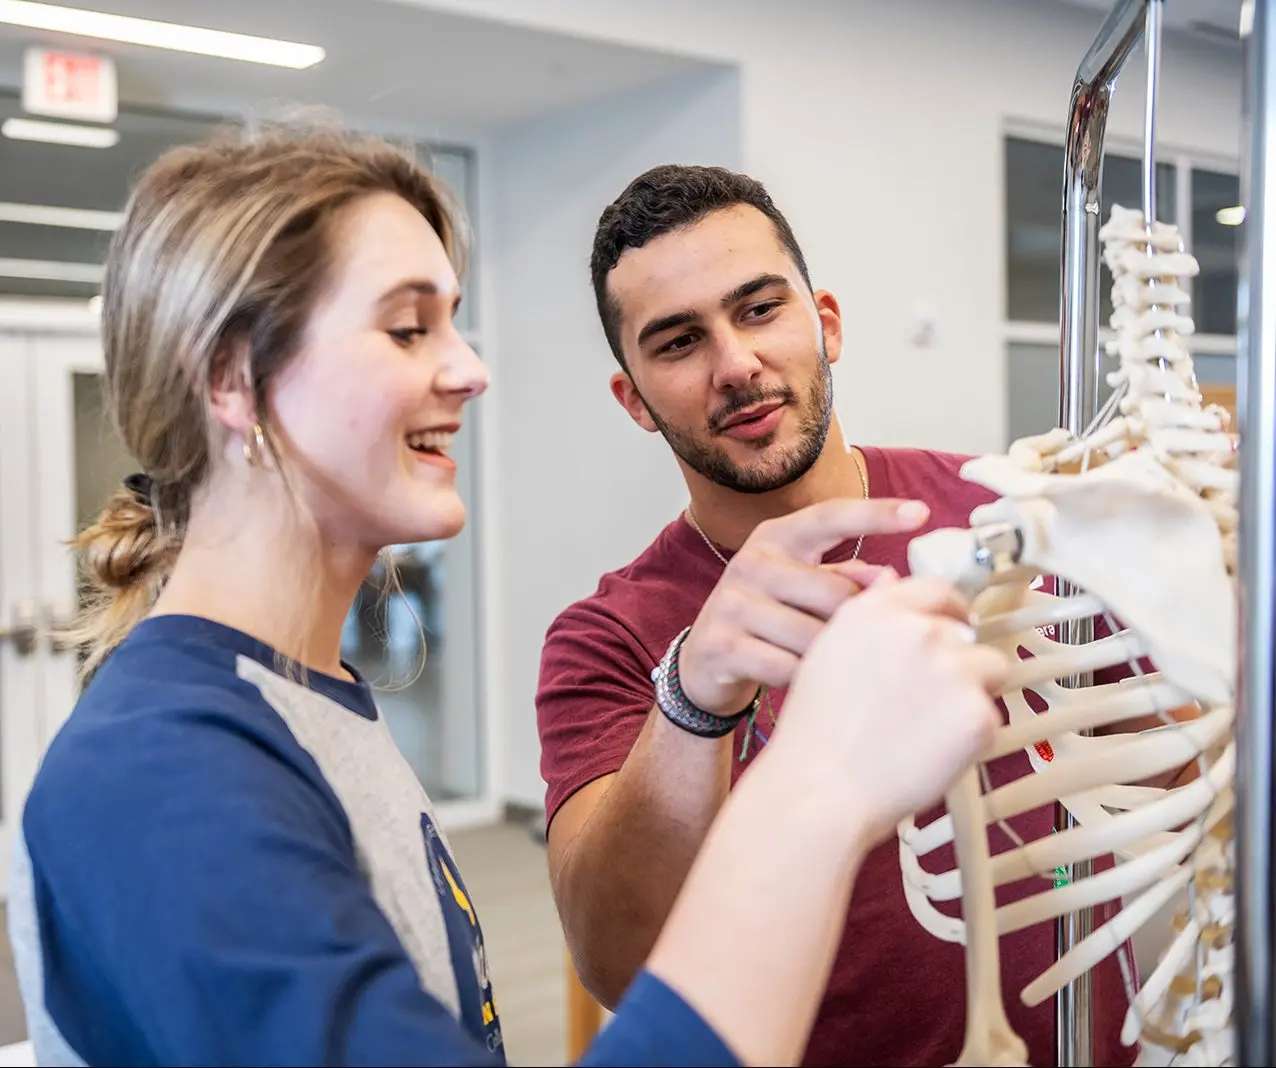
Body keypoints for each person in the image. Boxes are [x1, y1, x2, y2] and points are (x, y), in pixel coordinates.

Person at [7, 120, 1009, 1068]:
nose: (472, 371)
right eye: (408, 329)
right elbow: (615, 951)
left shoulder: (315, 708)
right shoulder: (162, 769)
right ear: (232, 380)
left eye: (453, 324)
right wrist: (818, 787)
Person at [535, 164, 1165, 1067]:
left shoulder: (1003, 506)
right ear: (633, 398)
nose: (737, 365)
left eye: (759, 310)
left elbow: (1158, 755)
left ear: (825, 323)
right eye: (678, 343)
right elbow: (617, 961)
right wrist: (693, 699)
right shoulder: (609, 638)